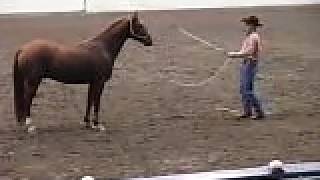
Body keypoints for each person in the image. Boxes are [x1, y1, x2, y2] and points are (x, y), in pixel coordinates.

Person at [227, 15, 265, 120]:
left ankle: (259, 112)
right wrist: (234, 54)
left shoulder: (253, 37)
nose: (245, 26)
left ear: (252, 25)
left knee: (247, 90)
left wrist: (234, 54)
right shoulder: (250, 36)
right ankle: (247, 111)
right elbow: (244, 51)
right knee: (243, 89)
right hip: (246, 63)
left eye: (247, 24)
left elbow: (249, 51)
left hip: (250, 64)